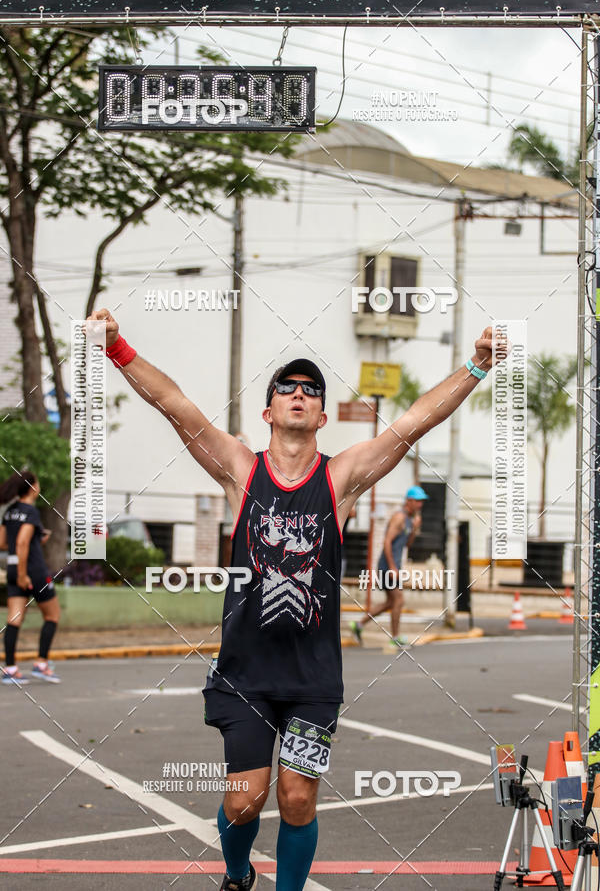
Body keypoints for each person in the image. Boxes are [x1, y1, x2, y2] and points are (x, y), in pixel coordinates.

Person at [89, 307, 505, 891]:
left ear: (322, 414)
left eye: (312, 390)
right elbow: (176, 406)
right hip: (245, 675)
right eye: (287, 387)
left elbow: (411, 426)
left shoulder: (340, 480)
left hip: (312, 679)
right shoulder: (240, 471)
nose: (299, 394)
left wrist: (476, 365)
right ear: (269, 410)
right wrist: (116, 346)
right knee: (244, 802)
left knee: (297, 798)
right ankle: (238, 873)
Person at [0, 471, 60, 685]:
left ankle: (10, 669)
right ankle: (41, 664)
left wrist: (37, 540)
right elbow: (23, 543)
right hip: (33, 571)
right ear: (32, 487)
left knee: (14, 619)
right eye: (38, 483)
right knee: (52, 615)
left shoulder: (10, 512)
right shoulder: (30, 512)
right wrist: (26, 575)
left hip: (14, 568)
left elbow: (4, 543)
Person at [350, 486, 428, 649]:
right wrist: (392, 567)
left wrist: (414, 528)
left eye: (422, 502)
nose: (420, 505)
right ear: (409, 501)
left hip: (393, 566)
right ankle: (395, 637)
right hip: (387, 566)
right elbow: (386, 541)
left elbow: (407, 544)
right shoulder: (399, 517)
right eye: (418, 501)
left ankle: (359, 624)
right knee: (399, 600)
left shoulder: (408, 519)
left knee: (390, 602)